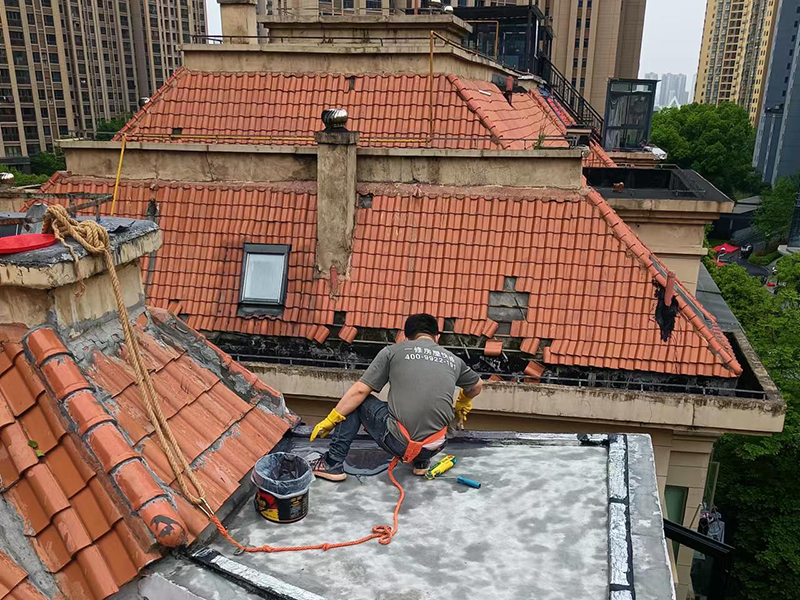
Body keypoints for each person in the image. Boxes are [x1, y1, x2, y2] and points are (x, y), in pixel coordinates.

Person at [309, 313, 484, 481]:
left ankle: (332, 463)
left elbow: (359, 392)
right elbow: (477, 386)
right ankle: (421, 463)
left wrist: (331, 419)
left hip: (401, 443)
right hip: (436, 445)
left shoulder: (392, 352)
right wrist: (463, 401)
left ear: (406, 337)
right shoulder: (453, 360)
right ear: (437, 337)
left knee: (357, 402)